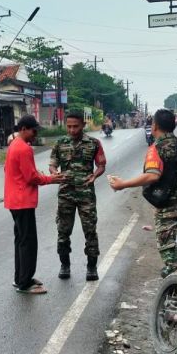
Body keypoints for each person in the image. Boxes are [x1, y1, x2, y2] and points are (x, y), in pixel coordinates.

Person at [109, 109, 177, 277]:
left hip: (167, 209)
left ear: (155, 126)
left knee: (170, 253)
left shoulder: (156, 148)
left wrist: (123, 184)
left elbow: (152, 175)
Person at [5, 115, 65, 294]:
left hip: (14, 200)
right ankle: (25, 283)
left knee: (21, 241)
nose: (35, 134)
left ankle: (21, 278)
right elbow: (31, 177)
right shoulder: (24, 149)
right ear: (23, 128)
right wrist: (51, 179)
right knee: (28, 242)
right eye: (33, 130)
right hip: (22, 201)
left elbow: (12, 170)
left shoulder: (14, 145)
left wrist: (37, 174)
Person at [50, 110, 106, 281]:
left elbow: (101, 164)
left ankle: (91, 267)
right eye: (69, 127)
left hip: (86, 194)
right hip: (65, 193)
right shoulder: (59, 143)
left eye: (75, 126)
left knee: (90, 230)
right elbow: (53, 165)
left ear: (83, 125)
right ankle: (64, 265)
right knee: (63, 231)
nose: (72, 130)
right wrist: (54, 174)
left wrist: (95, 175)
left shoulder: (94, 143)